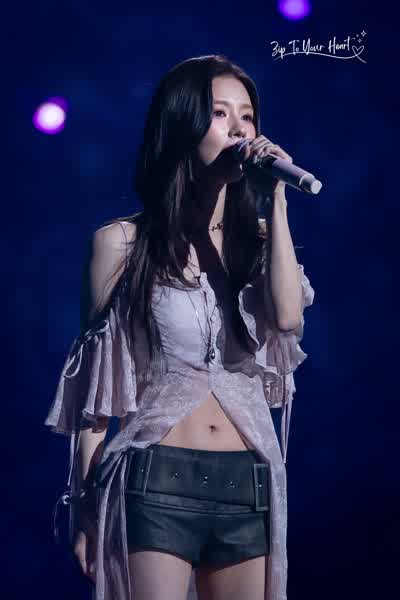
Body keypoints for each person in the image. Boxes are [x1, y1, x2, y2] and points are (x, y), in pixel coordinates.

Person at [45, 54, 315, 600]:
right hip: (155, 478)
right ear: (183, 126)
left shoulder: (261, 247)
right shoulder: (122, 244)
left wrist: (278, 198)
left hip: (247, 483)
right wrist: (85, 506)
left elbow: (288, 318)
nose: (239, 129)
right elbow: (95, 395)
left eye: (247, 116)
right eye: (219, 114)